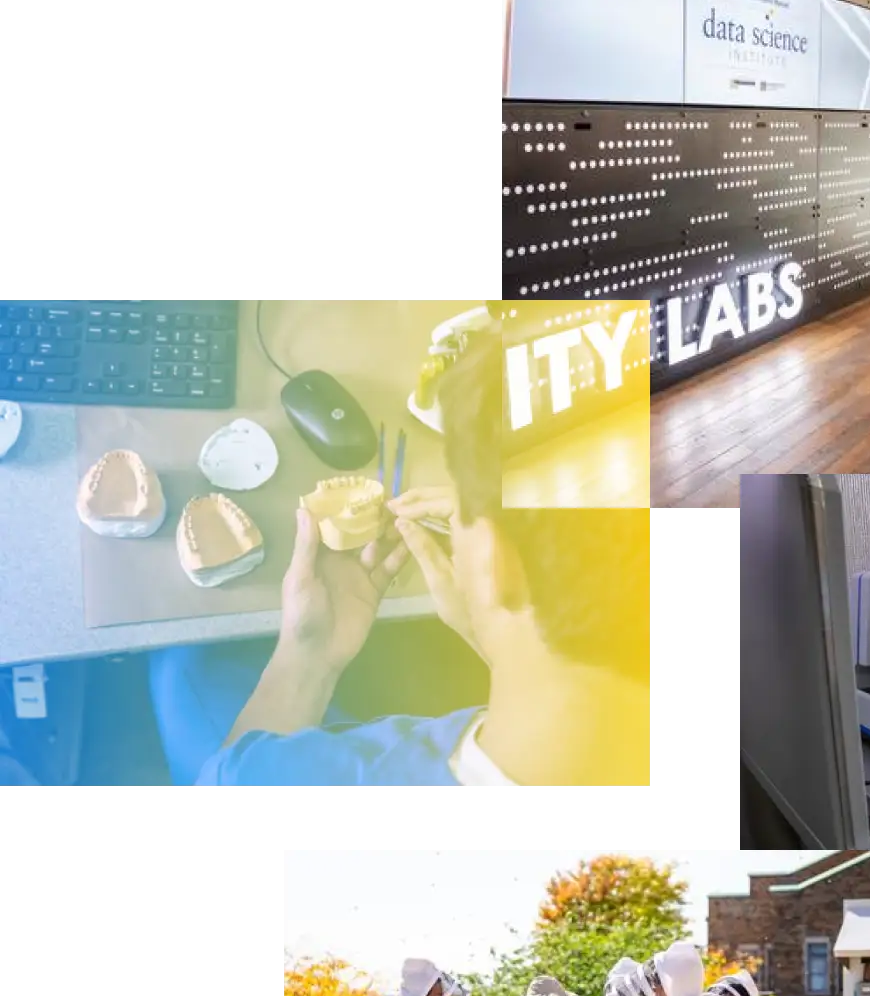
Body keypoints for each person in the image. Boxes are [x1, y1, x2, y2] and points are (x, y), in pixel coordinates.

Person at [147, 315, 649, 789]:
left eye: (466, 518)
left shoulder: (263, 778)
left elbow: (225, 779)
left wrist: (308, 657)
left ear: (497, 564)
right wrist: (505, 638)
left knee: (183, 669)